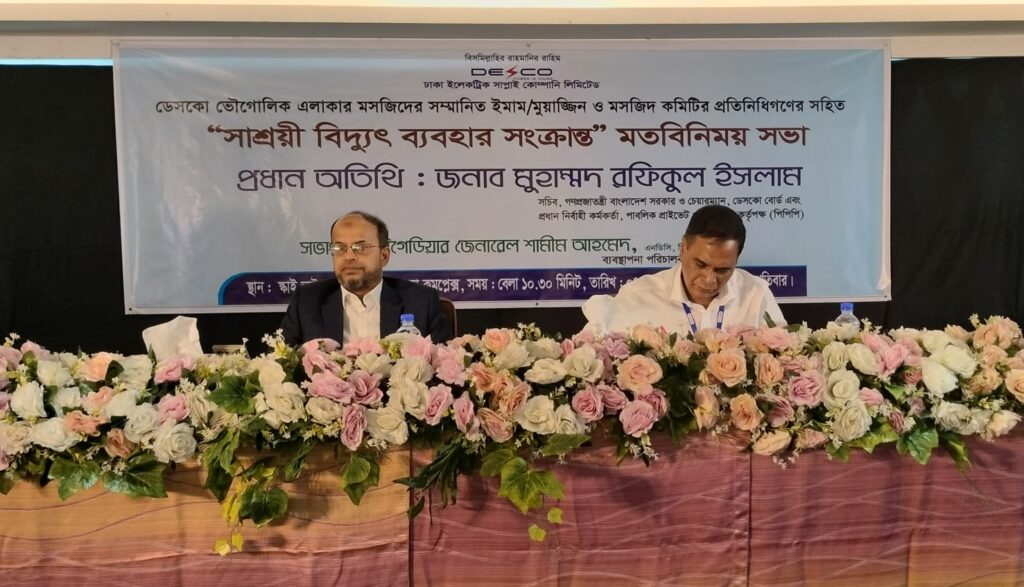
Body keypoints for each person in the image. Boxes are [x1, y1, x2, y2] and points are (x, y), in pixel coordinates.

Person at [582, 205, 784, 335]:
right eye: (700, 264)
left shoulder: (756, 294)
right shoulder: (638, 296)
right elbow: (590, 357)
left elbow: (785, 362)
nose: (709, 280)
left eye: (723, 270)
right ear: (683, 249)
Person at [281, 211, 452, 345]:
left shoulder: (421, 302)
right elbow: (280, 366)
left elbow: (443, 366)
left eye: (360, 247)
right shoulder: (307, 302)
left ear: (384, 256)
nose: (349, 256)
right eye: (339, 248)